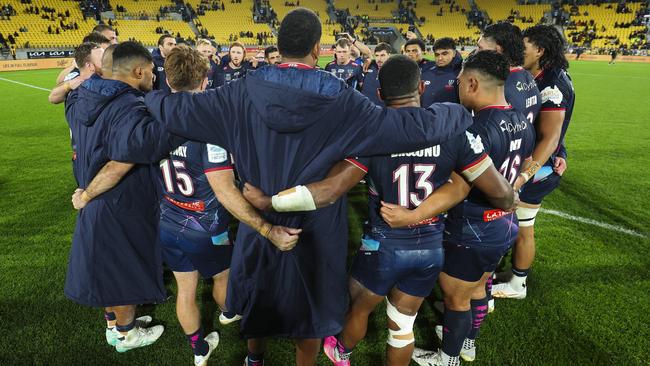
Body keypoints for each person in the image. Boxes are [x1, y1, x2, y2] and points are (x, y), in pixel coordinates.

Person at [145, 8, 474, 365]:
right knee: (313, 313)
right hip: (318, 228)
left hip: (261, 219)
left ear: (277, 45)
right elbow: (410, 127)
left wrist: (143, 92)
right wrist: (460, 110)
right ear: (318, 48)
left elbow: (173, 109)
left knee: (258, 297)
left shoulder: (237, 93)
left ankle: (255, 359)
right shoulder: (343, 99)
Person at [242, 55, 515, 366]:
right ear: (421, 88)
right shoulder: (453, 127)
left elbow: (329, 192)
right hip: (429, 248)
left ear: (381, 95)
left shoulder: (373, 134)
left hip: (383, 247)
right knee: (402, 327)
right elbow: (498, 194)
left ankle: (342, 352)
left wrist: (268, 202)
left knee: (357, 309)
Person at [412, 51, 535, 366]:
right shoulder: (522, 119)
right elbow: (522, 167)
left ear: (471, 82)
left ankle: (448, 358)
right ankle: (467, 344)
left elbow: (459, 188)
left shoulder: (476, 128)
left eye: (460, 83)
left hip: (472, 226)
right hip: (503, 224)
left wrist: (415, 214)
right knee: (479, 287)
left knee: (456, 298)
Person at [64, 41, 180, 353]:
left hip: (95, 194)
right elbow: (119, 163)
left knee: (107, 267)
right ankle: (128, 334)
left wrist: (86, 190)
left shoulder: (81, 96)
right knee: (123, 271)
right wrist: (86, 194)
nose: (154, 77)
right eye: (151, 72)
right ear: (139, 70)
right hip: (116, 200)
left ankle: (115, 327)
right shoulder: (130, 107)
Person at [492, 24, 575, 300]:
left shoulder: (553, 84)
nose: (519, 51)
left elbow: (550, 136)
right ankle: (512, 278)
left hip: (538, 169)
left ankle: (515, 285)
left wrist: (525, 175)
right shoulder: (536, 75)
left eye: (524, 47)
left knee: (520, 225)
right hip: (538, 163)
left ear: (539, 51)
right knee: (516, 225)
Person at [420, 37, 462, 106]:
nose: (440, 58)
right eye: (437, 55)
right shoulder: (426, 71)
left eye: (444, 54)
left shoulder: (462, 73)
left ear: (454, 53)